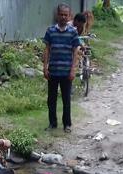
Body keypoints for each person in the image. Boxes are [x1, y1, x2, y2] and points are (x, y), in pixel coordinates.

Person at [43, 3, 80, 133]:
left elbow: (75, 52)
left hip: (66, 72)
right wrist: (45, 67)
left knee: (66, 100)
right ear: (57, 15)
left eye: (66, 15)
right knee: (51, 100)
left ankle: (67, 124)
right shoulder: (50, 31)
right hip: (53, 71)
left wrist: (73, 70)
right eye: (61, 14)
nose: (63, 17)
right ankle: (52, 124)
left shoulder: (73, 32)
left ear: (69, 16)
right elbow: (47, 49)